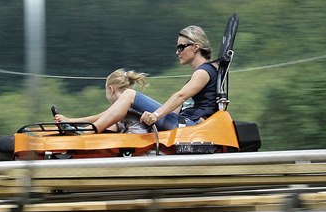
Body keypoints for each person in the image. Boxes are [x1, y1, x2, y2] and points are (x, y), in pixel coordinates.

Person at [54, 25, 218, 133]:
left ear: (195, 47)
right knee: (127, 110)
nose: (177, 52)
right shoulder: (199, 74)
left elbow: (180, 96)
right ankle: (80, 127)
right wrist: (149, 115)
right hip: (184, 123)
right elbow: (176, 109)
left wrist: (156, 115)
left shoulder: (204, 72)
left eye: (181, 47)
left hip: (192, 127)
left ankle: (87, 132)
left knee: (129, 95)